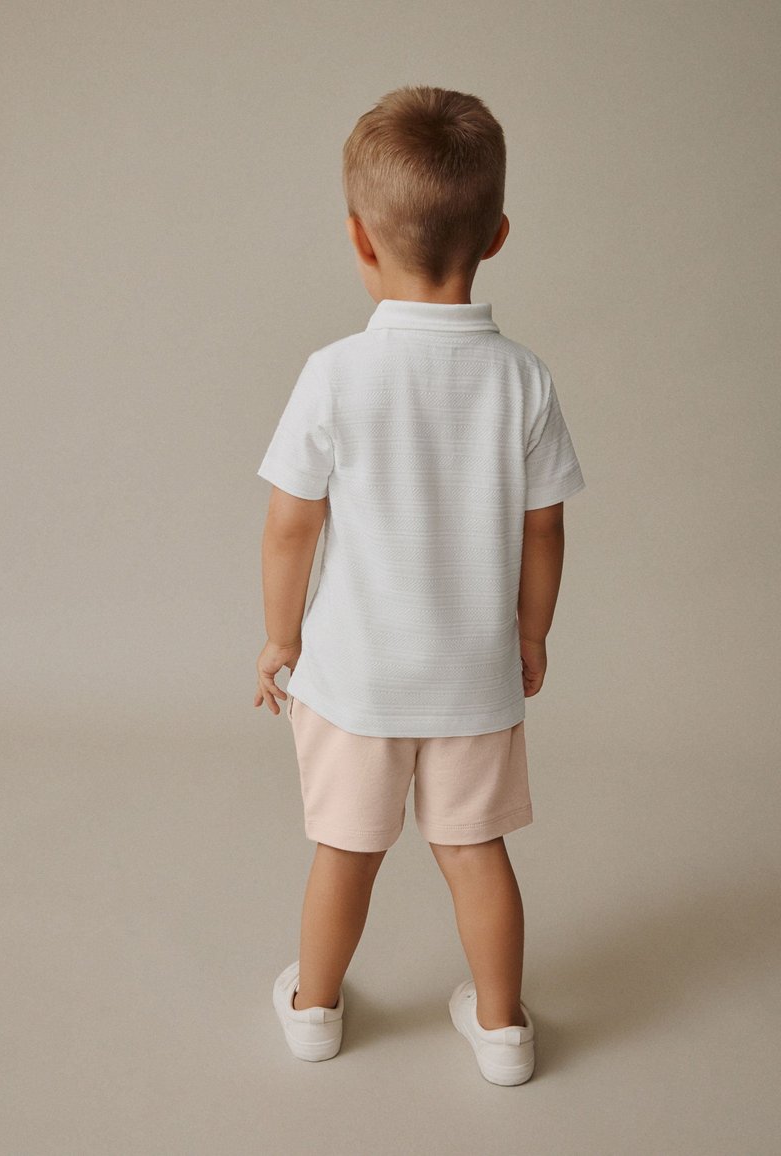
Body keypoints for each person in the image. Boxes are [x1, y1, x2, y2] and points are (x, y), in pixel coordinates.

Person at [255, 85, 586, 1085]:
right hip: (472, 678)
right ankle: (502, 1027)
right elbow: (543, 527)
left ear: (358, 239)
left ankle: (315, 1009)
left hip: (355, 680)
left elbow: (290, 524)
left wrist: (281, 639)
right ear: (497, 235)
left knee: (345, 850)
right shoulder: (523, 379)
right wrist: (531, 634)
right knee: (474, 850)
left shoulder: (334, 373)